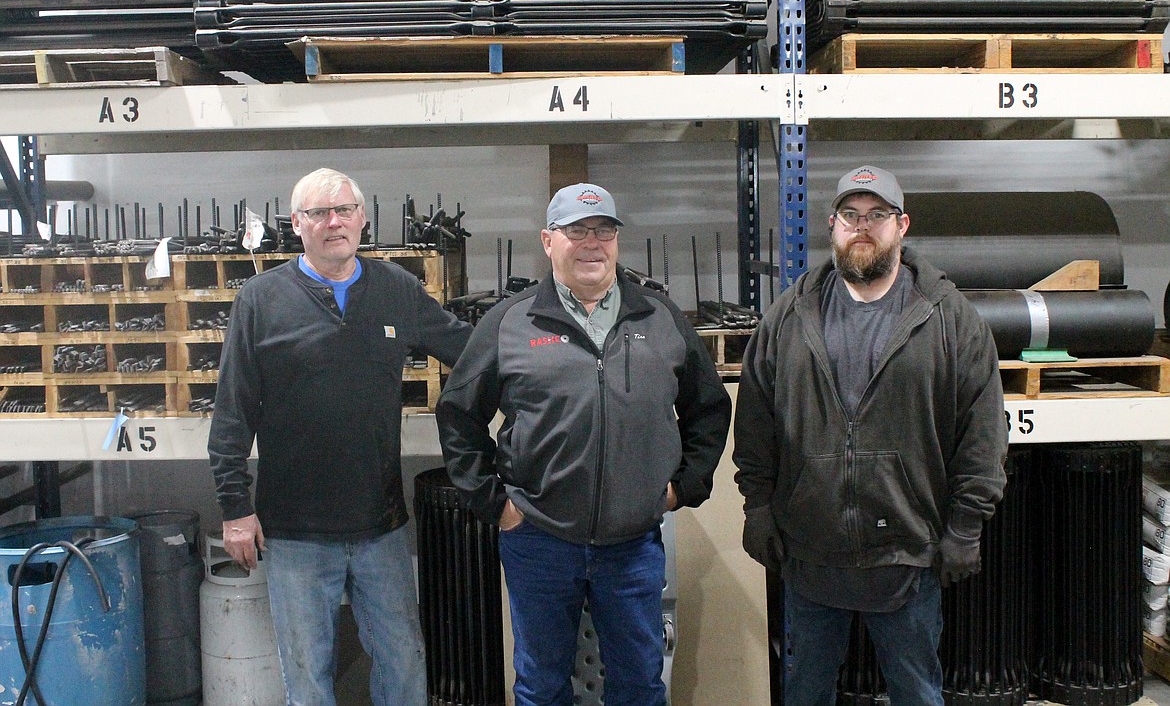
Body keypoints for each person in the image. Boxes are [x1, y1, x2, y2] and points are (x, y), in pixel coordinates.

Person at [436, 182, 731, 706]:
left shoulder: (658, 317)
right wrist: (495, 504)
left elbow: (708, 408)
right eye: (577, 231)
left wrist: (682, 487)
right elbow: (459, 415)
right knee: (542, 687)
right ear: (549, 241)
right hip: (538, 540)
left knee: (640, 684)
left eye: (603, 231)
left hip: (632, 545)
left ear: (616, 242)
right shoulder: (510, 321)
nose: (591, 243)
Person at [732, 165, 1008, 706]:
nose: (863, 227)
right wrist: (757, 507)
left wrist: (966, 526)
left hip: (907, 552)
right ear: (832, 226)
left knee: (917, 692)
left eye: (877, 215)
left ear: (901, 226)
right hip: (810, 551)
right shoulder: (790, 316)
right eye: (851, 216)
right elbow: (756, 421)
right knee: (805, 691)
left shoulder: (949, 319)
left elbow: (981, 431)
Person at [207, 167, 471, 706]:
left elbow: (466, 348)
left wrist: (541, 354)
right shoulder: (261, 299)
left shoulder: (394, 288)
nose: (334, 223)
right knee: (307, 678)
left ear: (363, 218)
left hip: (382, 528)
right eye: (318, 213)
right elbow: (232, 411)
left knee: (403, 665)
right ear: (296, 224)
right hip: (295, 533)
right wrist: (235, 508)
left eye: (344, 210)